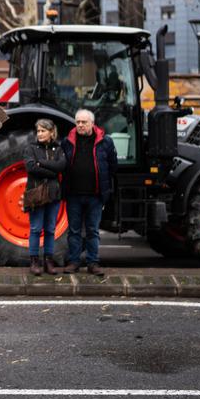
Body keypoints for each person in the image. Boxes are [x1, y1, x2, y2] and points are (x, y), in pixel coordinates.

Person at [61, 109, 117, 276]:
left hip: (95, 195)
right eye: (77, 122)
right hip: (74, 195)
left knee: (92, 230)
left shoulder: (105, 142)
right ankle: (74, 262)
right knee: (74, 231)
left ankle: (93, 263)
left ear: (92, 123)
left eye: (83, 122)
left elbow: (113, 166)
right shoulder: (67, 141)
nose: (80, 125)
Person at [23, 119, 66, 276]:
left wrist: (42, 163)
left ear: (51, 132)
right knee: (35, 229)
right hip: (37, 194)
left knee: (50, 229)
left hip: (54, 194)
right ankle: (34, 261)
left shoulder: (58, 149)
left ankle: (49, 261)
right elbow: (31, 167)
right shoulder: (30, 148)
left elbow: (61, 166)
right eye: (38, 131)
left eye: (43, 131)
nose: (40, 134)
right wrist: (52, 171)